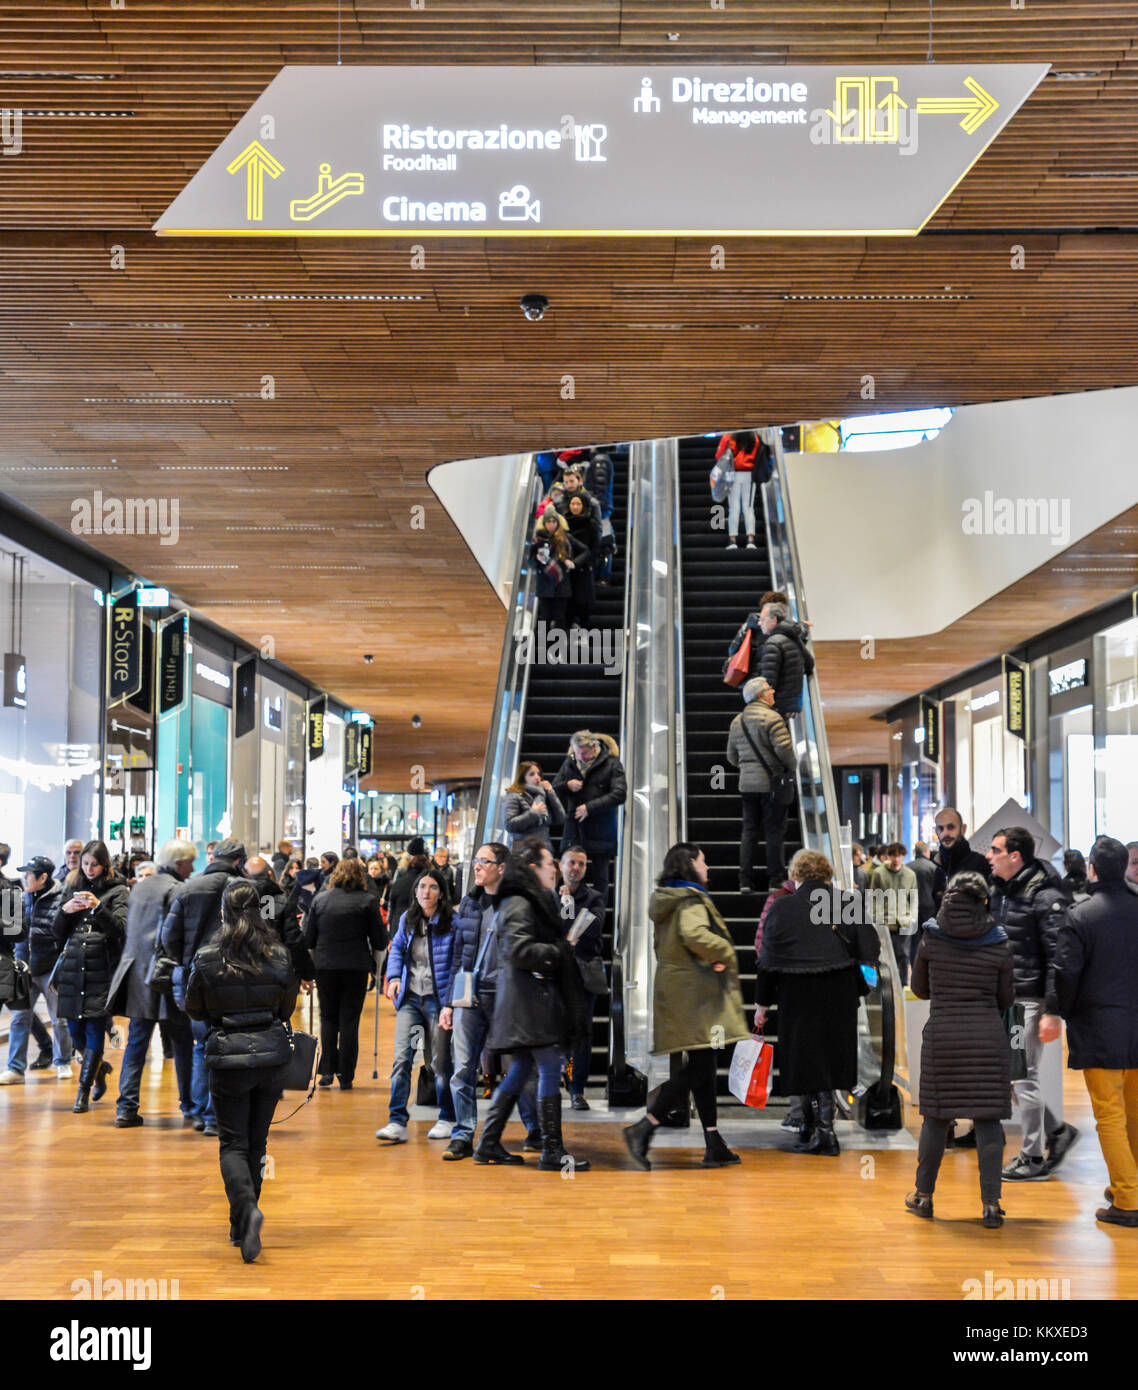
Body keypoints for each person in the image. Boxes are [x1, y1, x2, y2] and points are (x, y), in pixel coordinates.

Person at [185, 880, 297, 1263]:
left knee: (232, 1143)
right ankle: (240, 1224)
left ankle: (245, 1213)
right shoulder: (278, 953)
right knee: (257, 1144)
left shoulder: (207, 955)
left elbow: (194, 1008)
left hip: (226, 1054)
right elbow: (286, 1009)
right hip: (270, 1057)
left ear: (224, 912)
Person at [623, 842, 748, 1170]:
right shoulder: (689, 900)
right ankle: (644, 1127)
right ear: (690, 865)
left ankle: (713, 1141)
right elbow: (695, 935)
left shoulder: (669, 899)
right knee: (697, 1068)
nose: (707, 868)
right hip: (698, 999)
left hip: (682, 994)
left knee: (703, 1065)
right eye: (703, 861)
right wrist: (724, 952)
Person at [906, 871, 1015, 1228]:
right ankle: (990, 1205)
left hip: (943, 1037)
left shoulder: (931, 936)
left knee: (936, 1119)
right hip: (986, 1036)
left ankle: (923, 1196)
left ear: (949, 897)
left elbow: (919, 989)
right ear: (984, 900)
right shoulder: (998, 940)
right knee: (987, 1122)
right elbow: (1005, 998)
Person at [479, 843, 593, 1172]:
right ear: (531, 868)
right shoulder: (519, 901)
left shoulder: (526, 901)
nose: (554, 870)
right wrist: (559, 951)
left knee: (520, 1071)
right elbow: (518, 949)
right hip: (529, 1001)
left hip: (527, 1000)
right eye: (548, 864)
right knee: (549, 1067)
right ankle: (552, 1150)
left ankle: (488, 1142)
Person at [754, 849, 867, 1156]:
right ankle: (825, 1129)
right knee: (831, 1056)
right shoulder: (846, 902)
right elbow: (870, 948)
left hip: (796, 993)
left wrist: (762, 1006)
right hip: (839, 991)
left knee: (804, 1057)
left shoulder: (782, 906)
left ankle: (809, 1126)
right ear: (828, 874)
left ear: (796, 875)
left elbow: (767, 960)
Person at [1054, 836, 1138, 1226]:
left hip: (1100, 1028)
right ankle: (1131, 1184)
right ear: (1124, 867)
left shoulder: (1080, 916)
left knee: (1109, 1115)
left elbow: (1067, 973)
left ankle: (1127, 1198)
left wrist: (1064, 1012)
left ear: (1091, 868)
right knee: (1135, 1115)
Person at [439, 842, 542, 1161]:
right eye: (476, 860)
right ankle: (463, 1134)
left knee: (519, 1066)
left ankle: (534, 1128)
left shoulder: (519, 903)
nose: (477, 866)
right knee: (462, 1069)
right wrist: (448, 1002)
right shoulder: (470, 903)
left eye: (485, 861)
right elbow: (458, 953)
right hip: (470, 995)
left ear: (502, 867)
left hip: (509, 997)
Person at [986, 825, 1075, 1181]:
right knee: (1011, 1074)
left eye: (995, 850)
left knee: (1022, 1076)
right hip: (1008, 995)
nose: (989, 856)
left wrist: (1052, 1010)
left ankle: (1033, 1157)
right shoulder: (1003, 890)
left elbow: (1060, 957)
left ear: (1015, 856)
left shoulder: (1044, 896)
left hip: (1028, 998)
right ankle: (1056, 1130)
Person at [107, 838, 197, 1127]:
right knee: (183, 1042)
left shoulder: (140, 886)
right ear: (178, 863)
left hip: (137, 975)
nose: (192, 867)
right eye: (189, 862)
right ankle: (189, 1105)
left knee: (136, 1043)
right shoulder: (179, 890)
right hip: (166, 977)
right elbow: (177, 937)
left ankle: (126, 1107)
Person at [161, 838, 247, 1137]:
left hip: (192, 976)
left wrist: (185, 960)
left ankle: (198, 1112)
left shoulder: (187, 887)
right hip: (232, 977)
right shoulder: (243, 888)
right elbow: (261, 930)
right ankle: (214, 1116)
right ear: (238, 860)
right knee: (225, 1046)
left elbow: (168, 936)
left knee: (200, 1047)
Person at [376, 867, 457, 1143]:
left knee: (440, 1062)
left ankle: (447, 1116)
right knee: (402, 1059)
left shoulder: (451, 922)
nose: (426, 892)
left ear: (442, 893)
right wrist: (395, 976)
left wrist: (451, 1002)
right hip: (410, 998)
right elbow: (396, 948)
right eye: (422, 887)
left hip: (438, 1000)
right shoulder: (407, 920)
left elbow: (457, 962)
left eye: (433, 887)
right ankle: (397, 1120)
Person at [51, 840, 130, 1114]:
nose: (88, 869)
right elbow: (56, 934)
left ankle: (82, 1092)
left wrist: (97, 907)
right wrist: (65, 911)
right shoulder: (72, 887)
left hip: (102, 969)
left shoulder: (119, 889)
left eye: (94, 864)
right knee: (75, 1033)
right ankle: (99, 1069)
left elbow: (119, 929)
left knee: (95, 1030)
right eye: (85, 864)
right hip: (73, 968)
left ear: (104, 864)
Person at [304, 855, 386, 1090]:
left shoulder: (320, 900)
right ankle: (346, 1075)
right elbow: (379, 939)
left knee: (328, 1018)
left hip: (325, 966)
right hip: (356, 966)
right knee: (349, 1020)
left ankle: (327, 1071)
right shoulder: (368, 901)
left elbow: (309, 937)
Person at [1, 856, 72, 1083]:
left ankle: (63, 1062)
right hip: (24, 968)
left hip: (50, 969)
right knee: (20, 1017)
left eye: (29, 874)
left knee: (59, 1019)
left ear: (43, 877)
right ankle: (16, 1068)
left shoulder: (62, 898)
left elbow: (67, 932)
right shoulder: (19, 896)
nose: (24, 877)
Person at [726, 675, 796, 893]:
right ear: (760, 696)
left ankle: (744, 880)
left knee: (749, 831)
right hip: (770, 786)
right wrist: (792, 766)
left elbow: (731, 757)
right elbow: (784, 751)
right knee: (774, 832)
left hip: (747, 786)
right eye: (769, 689)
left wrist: (747, 767)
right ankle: (775, 879)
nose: (772, 692)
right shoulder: (773, 719)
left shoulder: (737, 721)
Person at [552, 730, 627, 910]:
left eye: (584, 753)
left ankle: (595, 921)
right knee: (569, 877)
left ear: (594, 747)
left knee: (600, 878)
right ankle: (567, 919)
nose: (581, 757)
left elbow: (619, 794)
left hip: (601, 828)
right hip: (574, 830)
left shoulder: (612, 764)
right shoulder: (570, 761)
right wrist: (567, 785)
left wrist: (590, 808)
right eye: (577, 753)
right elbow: (554, 788)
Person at [556, 846, 606, 1109]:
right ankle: (558, 1074)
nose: (576, 868)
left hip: (584, 973)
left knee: (583, 1033)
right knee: (555, 1029)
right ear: (561, 866)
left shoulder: (594, 896)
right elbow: (561, 931)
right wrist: (567, 908)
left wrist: (571, 907)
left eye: (581, 864)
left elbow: (595, 927)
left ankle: (577, 1089)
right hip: (555, 973)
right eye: (571, 863)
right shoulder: (550, 895)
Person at [867, 842, 919, 986]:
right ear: (888, 856)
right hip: (884, 921)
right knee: (884, 956)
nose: (896, 859)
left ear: (903, 856)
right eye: (893, 855)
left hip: (903, 921)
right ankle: (885, 986)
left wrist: (912, 918)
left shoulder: (910, 875)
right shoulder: (879, 873)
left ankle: (902, 985)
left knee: (903, 956)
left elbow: (913, 898)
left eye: (899, 856)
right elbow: (872, 896)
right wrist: (874, 919)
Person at [757, 601, 815, 718]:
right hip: (791, 707)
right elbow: (809, 663)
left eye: (763, 619)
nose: (759, 623)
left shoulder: (773, 643)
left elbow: (769, 681)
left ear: (774, 619)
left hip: (777, 707)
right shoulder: (792, 637)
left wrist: (762, 706)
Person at [531, 508, 584, 632]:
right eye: (548, 521)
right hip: (544, 583)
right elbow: (530, 561)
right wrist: (537, 559)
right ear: (544, 523)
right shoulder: (538, 539)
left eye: (554, 521)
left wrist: (573, 563)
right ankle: (544, 647)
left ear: (558, 523)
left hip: (562, 583)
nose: (551, 524)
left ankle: (558, 647)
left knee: (560, 618)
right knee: (545, 618)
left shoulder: (565, 538)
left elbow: (584, 550)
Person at [714, 428, 763, 550]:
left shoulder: (729, 436)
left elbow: (718, 455)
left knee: (734, 507)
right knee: (749, 507)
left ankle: (732, 541)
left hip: (733, 474)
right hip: (750, 475)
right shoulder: (755, 437)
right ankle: (751, 540)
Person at [503, 760, 565, 852]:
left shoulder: (542, 794)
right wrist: (533, 813)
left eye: (539, 774)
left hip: (544, 849)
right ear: (522, 777)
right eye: (532, 774)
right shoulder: (514, 795)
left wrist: (551, 793)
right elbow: (509, 825)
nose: (537, 777)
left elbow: (561, 818)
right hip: (524, 851)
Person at [564, 492, 600, 629]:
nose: (575, 507)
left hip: (584, 568)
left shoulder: (590, 523)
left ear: (583, 506)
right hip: (567, 569)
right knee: (568, 602)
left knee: (583, 602)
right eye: (572, 503)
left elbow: (595, 546)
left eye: (578, 504)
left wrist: (589, 562)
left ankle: (583, 630)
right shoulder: (564, 522)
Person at [931, 807, 990, 881]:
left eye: (951, 827)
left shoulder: (980, 864)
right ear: (936, 832)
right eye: (941, 829)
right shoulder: (931, 867)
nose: (945, 833)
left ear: (963, 829)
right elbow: (914, 891)